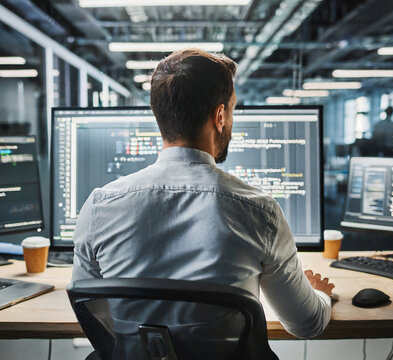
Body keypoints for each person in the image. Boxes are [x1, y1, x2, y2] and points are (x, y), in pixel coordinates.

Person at [71, 49, 334, 357]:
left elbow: (95, 317)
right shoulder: (259, 211)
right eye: (232, 111)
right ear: (219, 116)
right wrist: (320, 295)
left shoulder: (99, 206)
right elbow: (306, 324)